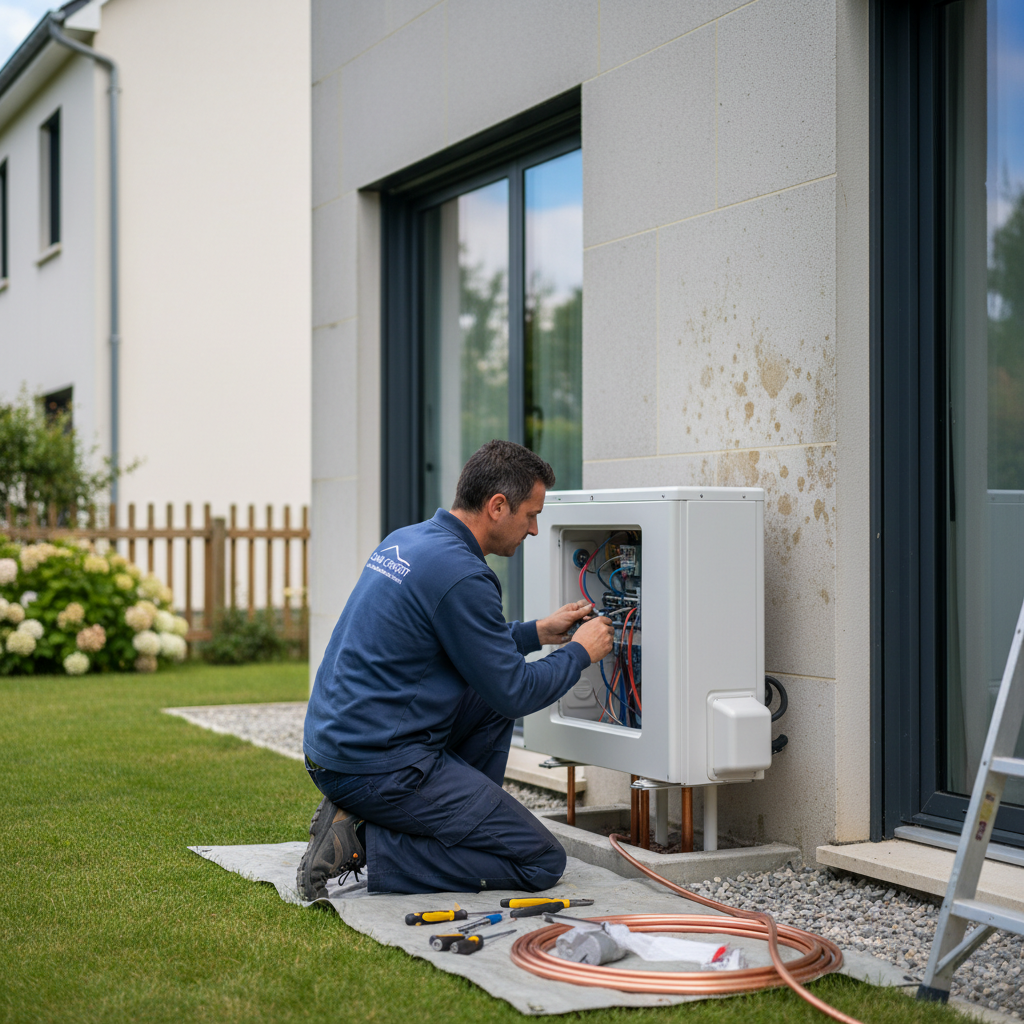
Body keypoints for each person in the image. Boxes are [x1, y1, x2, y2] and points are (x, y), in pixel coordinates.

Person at [297, 440, 614, 899]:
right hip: (375, 766)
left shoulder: (409, 540)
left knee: (485, 697)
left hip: (335, 747)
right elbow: (515, 691)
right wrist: (581, 652)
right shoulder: (464, 574)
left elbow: (465, 646)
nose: (535, 530)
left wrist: (537, 632)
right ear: (497, 506)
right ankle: (364, 843)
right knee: (542, 860)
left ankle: (449, 818)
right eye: (530, 515)